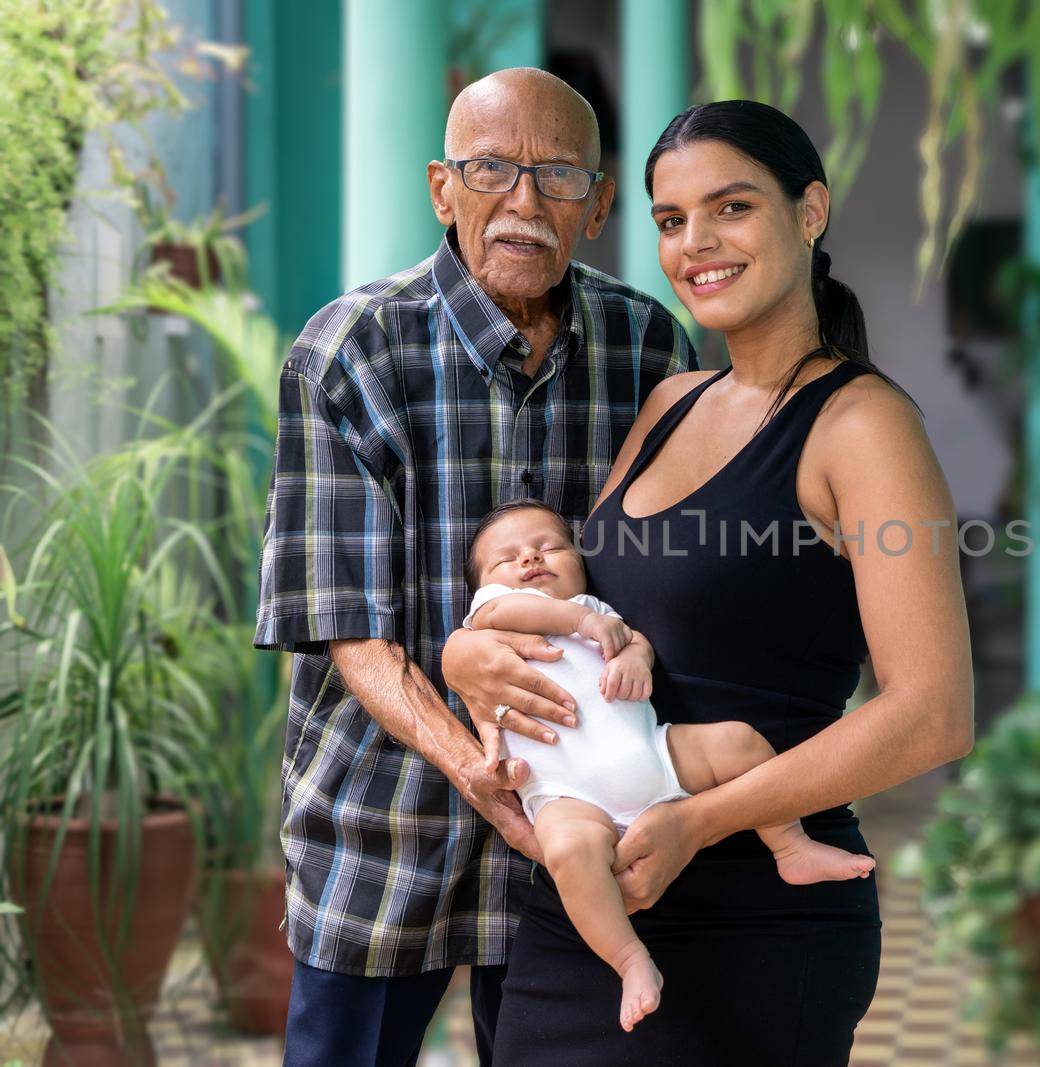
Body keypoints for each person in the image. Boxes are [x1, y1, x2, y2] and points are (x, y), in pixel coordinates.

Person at [444, 99, 975, 1065]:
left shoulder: (862, 427)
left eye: (731, 207)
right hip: (592, 910)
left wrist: (700, 819)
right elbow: (590, 600)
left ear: (809, 211)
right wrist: (471, 647)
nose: (697, 244)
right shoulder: (670, 403)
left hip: (755, 919)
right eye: (671, 219)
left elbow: (934, 712)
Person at [252, 68, 696, 1066]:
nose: (524, 204)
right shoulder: (348, 351)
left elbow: (666, 579)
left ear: (599, 205)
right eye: (490, 169)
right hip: (383, 819)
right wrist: (473, 763)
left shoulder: (652, 352)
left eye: (557, 176)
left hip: (581, 817)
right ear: (441, 188)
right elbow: (341, 621)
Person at [458, 498, 876, 1031]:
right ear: (484, 585)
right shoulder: (496, 617)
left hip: (655, 753)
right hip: (569, 794)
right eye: (507, 558)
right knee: (567, 853)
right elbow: (506, 609)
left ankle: (791, 846)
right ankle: (630, 961)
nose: (530, 560)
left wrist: (633, 657)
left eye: (549, 547)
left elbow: (638, 643)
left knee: (739, 743)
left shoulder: (600, 610)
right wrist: (580, 619)